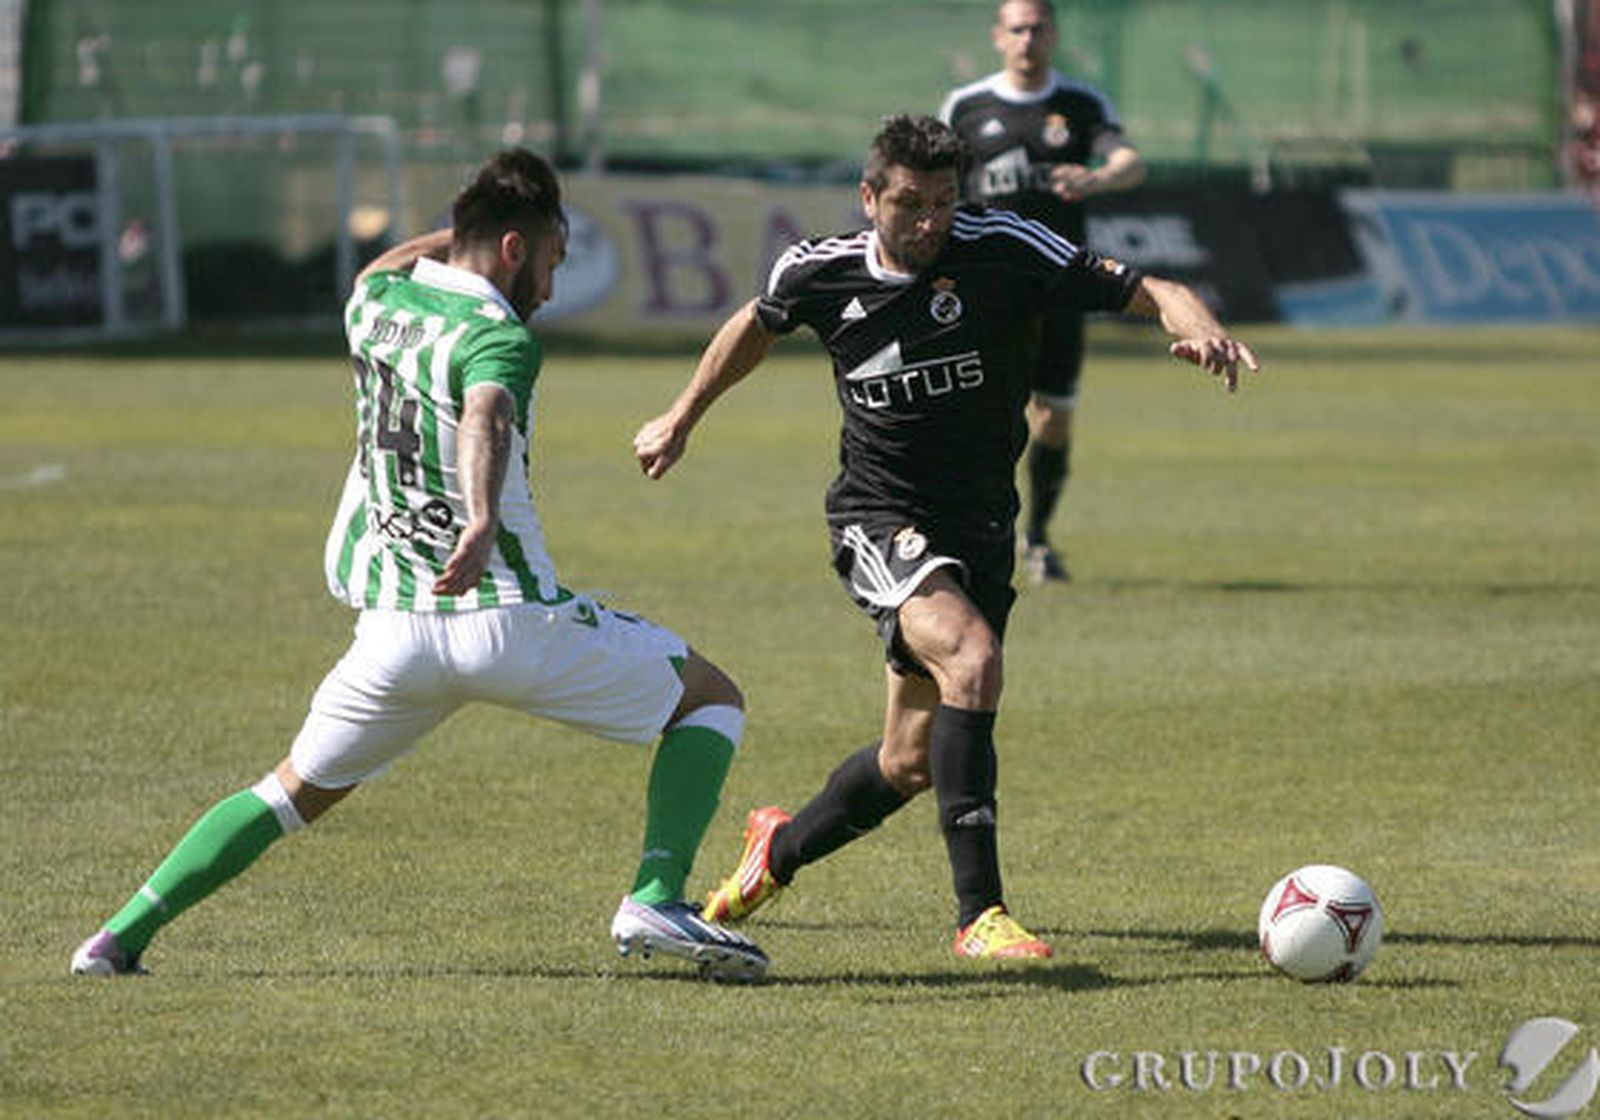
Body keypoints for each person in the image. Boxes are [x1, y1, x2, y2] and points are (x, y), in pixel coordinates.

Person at [70, 148, 767, 983]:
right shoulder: (500, 337)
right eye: (551, 257)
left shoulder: (375, 304)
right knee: (710, 701)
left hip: (395, 636)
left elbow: (384, 263)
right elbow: (487, 415)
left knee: (289, 792)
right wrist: (478, 519)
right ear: (516, 247)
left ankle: (117, 938)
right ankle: (657, 892)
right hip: (507, 618)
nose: (549, 285)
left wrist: (477, 224)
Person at [633, 115, 1256, 961]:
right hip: (878, 515)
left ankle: (772, 852)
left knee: (911, 758)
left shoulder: (1003, 246)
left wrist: (1195, 323)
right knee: (972, 660)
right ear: (870, 197)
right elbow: (756, 323)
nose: (931, 223)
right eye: (910, 204)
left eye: (944, 203)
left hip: (982, 525)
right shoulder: (819, 269)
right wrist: (681, 416)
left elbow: (1144, 286)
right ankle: (980, 916)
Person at [939, 0, 1147, 584]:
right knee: (980, 413)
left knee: (1053, 417)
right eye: (1017, 29)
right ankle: (971, 532)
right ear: (997, 37)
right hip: (987, 288)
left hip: (1060, 286)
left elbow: (1131, 162)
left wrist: (1100, 176)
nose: (1028, 38)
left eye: (1038, 28)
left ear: (1053, 35)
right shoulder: (967, 106)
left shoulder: (1080, 106)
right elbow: (937, 178)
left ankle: (1039, 538)